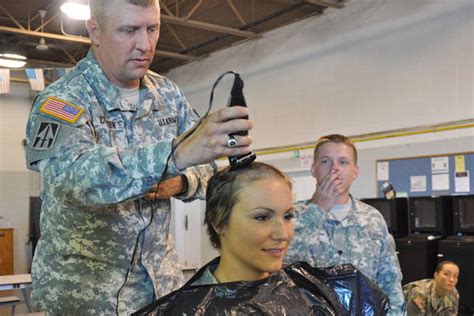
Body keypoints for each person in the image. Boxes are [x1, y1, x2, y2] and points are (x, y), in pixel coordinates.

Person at [24, 0, 253, 314]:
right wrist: (175, 155)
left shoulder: (168, 95)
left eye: (152, 28)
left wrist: (184, 181)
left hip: (160, 288)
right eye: (129, 30)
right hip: (85, 296)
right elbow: (70, 180)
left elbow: (209, 168)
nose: (145, 44)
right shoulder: (61, 100)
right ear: (95, 32)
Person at [134, 162, 390, 315]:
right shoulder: (188, 309)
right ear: (219, 222)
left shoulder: (316, 291)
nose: (282, 234)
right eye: (262, 217)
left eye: (288, 216)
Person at [285, 134, 405, 315]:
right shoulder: (290, 215)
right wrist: (317, 210)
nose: (334, 169)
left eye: (343, 162)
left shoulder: (372, 218)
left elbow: (390, 281)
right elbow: (280, 265)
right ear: (314, 169)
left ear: (355, 172)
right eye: (326, 162)